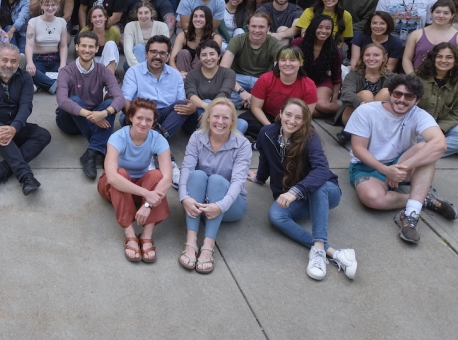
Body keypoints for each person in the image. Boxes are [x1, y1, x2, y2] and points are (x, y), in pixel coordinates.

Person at [249, 98, 357, 280]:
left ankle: (319, 250)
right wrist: (259, 177)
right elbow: (265, 159)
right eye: (288, 115)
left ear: (305, 121)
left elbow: (322, 170)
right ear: (280, 113)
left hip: (326, 191)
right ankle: (335, 253)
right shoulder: (267, 134)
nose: (292, 121)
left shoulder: (310, 138)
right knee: (276, 216)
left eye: (298, 118)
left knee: (317, 184)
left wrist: (295, 191)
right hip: (292, 196)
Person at [345, 73, 455, 244]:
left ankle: (411, 214)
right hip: (367, 166)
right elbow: (359, 149)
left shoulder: (419, 114)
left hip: (401, 162)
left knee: (428, 150)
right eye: (397, 94)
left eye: (409, 96)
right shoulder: (366, 111)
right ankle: (423, 198)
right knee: (372, 199)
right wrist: (385, 170)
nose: (402, 100)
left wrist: (401, 168)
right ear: (390, 94)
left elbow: (440, 144)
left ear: (417, 100)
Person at [176, 98, 250, 274]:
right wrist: (184, 197)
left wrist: (220, 206)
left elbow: (239, 181)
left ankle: (208, 246)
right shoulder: (197, 137)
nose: (220, 122)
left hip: (230, 206)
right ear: (208, 118)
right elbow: (186, 167)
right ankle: (191, 242)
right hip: (199, 202)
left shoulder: (242, 144)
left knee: (216, 180)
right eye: (216, 116)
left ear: (233, 121)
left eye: (226, 118)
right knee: (197, 174)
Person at [99, 98, 173, 263]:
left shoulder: (158, 139)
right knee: (121, 173)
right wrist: (147, 194)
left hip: (140, 184)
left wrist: (147, 204)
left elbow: (167, 178)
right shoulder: (118, 137)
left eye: (149, 119)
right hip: (112, 186)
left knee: (156, 175)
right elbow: (112, 176)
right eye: (139, 118)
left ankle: (146, 235)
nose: (143, 123)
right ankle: (130, 234)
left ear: (154, 122)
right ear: (131, 117)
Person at [0, 43, 50, 195]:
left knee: (43, 135)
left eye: (13, 61)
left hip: (16, 125)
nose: (9, 65)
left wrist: (15, 127)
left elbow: (26, 106)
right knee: (2, 134)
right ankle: (26, 177)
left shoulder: (25, 78)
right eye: (5, 60)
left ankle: (3, 168)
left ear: (18, 62)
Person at [56, 32, 125, 180]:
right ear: (77, 47)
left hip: (96, 115)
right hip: (68, 120)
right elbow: (62, 101)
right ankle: (101, 146)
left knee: (109, 104)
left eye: (91, 47)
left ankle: (92, 153)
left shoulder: (103, 70)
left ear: (96, 49)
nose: (87, 50)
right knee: (73, 99)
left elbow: (120, 99)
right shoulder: (66, 71)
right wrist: (91, 116)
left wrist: (105, 113)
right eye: (84, 46)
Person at [121, 36, 197, 139]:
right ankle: (159, 139)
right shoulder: (133, 72)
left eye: (162, 53)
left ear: (168, 56)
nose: (157, 56)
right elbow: (126, 100)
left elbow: (180, 102)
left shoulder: (175, 75)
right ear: (146, 54)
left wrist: (191, 108)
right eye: (153, 52)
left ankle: (156, 138)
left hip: (164, 116)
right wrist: (133, 117)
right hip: (140, 113)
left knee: (182, 105)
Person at [417, 43, 458, 160]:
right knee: (415, 140)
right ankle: (456, 148)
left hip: (443, 127)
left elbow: (455, 115)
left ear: (455, 61)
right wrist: (430, 131)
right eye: (439, 56)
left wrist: (440, 130)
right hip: (419, 127)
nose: (443, 60)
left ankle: (425, 149)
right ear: (433, 58)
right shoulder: (416, 78)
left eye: (449, 57)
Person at [241, 45, 318, 138]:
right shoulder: (265, 79)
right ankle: (272, 138)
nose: (287, 63)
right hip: (267, 117)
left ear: (301, 62)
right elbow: (255, 107)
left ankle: (268, 139)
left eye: (293, 60)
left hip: (292, 121)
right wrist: (269, 127)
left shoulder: (309, 85)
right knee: (242, 121)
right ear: (278, 62)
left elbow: (306, 116)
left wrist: (288, 129)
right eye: (283, 60)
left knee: (309, 135)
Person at [220, 11, 284, 107]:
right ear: (248, 26)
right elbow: (223, 70)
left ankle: (249, 102)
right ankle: (254, 103)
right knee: (222, 90)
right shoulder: (238, 40)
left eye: (261, 27)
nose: (257, 30)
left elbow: (279, 73)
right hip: (238, 79)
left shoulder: (275, 44)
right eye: (253, 26)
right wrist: (242, 92)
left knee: (276, 96)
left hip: (261, 80)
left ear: (268, 28)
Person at [336, 43, 393, 144]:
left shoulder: (391, 77)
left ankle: (352, 134)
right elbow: (346, 93)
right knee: (366, 95)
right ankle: (371, 134)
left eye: (376, 55)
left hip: (380, 118)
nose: (371, 58)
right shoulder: (354, 74)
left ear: (384, 58)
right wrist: (362, 104)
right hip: (352, 115)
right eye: (367, 55)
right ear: (362, 58)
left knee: (386, 92)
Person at [291, 14, 343, 119]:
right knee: (303, 110)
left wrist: (333, 102)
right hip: (300, 80)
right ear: (313, 27)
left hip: (321, 81)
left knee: (322, 105)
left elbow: (337, 78)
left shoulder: (334, 52)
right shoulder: (298, 43)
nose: (324, 31)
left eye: (328, 28)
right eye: (320, 27)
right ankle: (330, 114)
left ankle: (346, 110)